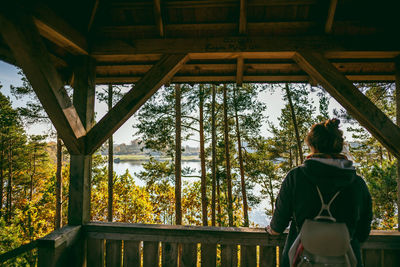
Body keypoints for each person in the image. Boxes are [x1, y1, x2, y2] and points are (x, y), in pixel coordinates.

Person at [266, 118, 372, 267]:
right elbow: (362, 233)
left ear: (312, 146)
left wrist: (272, 231)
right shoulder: (357, 183)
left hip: (300, 260)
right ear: (339, 145)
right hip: (346, 260)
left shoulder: (296, 177)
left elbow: (279, 224)